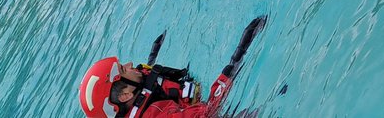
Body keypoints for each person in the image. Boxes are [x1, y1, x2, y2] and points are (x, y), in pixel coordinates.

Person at [79, 16, 266, 118]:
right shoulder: (159, 115)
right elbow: (210, 112)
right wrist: (236, 59)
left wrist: (153, 55)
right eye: (122, 70)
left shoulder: (133, 96)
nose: (129, 65)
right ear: (125, 95)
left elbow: (149, 82)